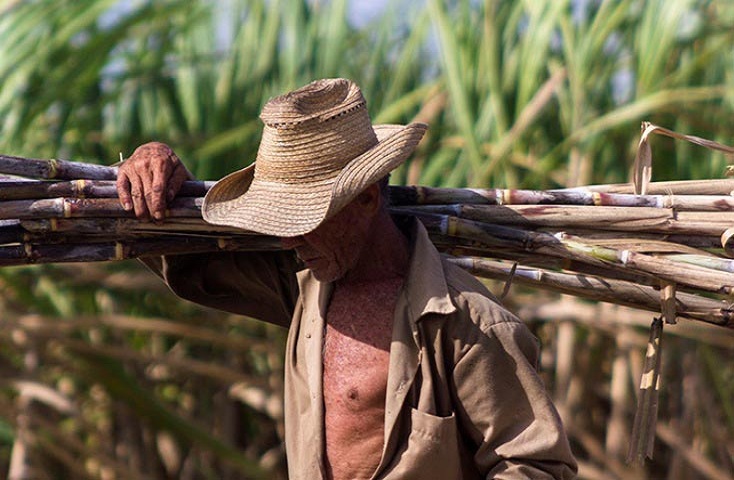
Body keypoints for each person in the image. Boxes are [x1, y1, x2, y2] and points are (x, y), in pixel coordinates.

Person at [117, 78, 577, 479]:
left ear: (366, 200)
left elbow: (535, 465)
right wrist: (155, 166)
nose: (288, 240)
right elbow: (191, 263)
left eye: (306, 219)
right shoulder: (303, 288)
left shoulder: (467, 326)